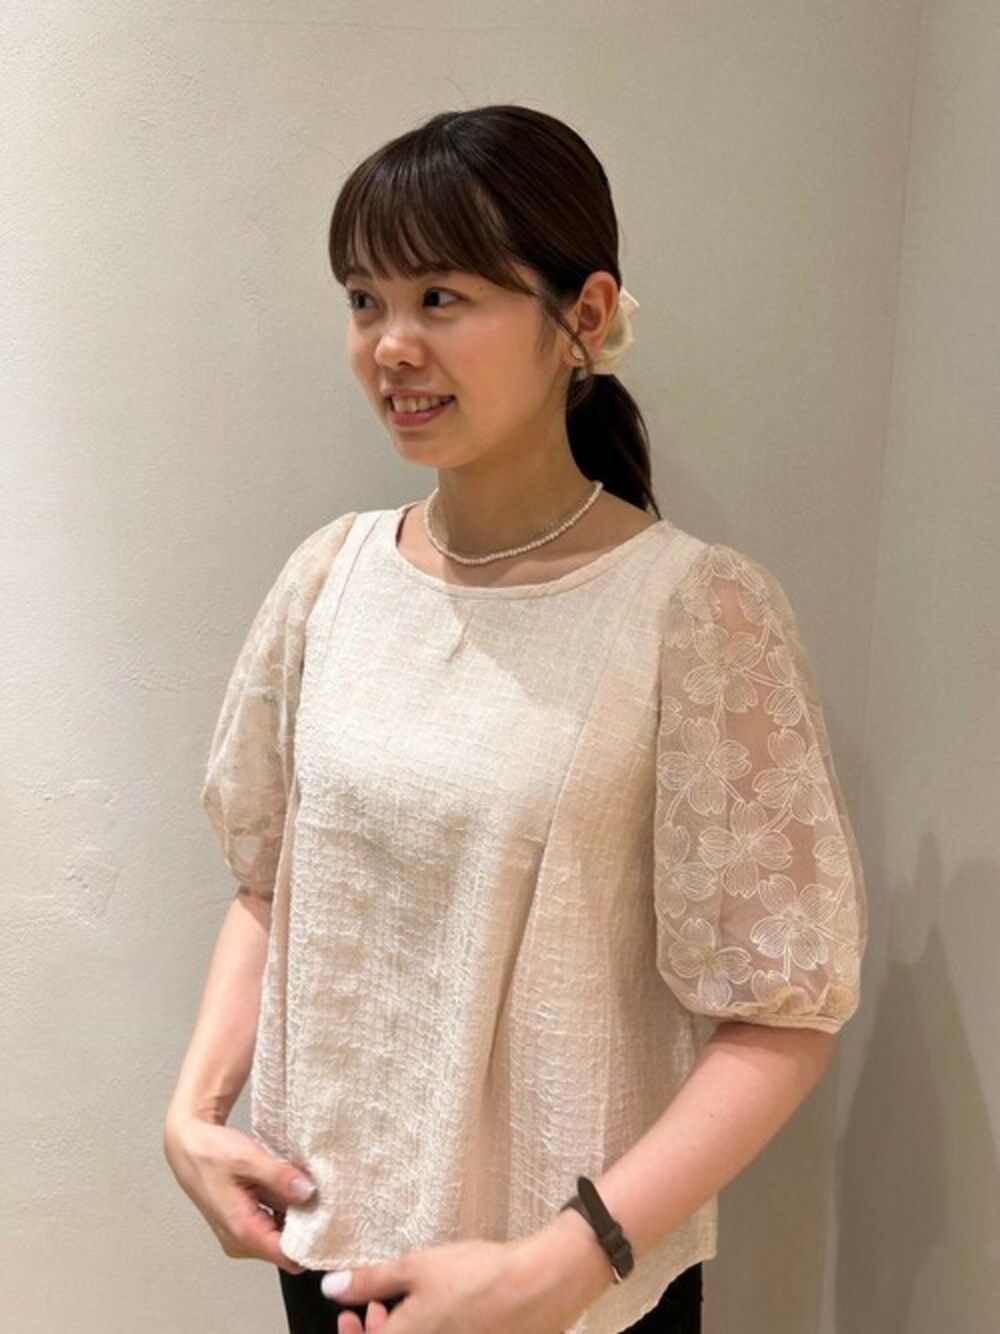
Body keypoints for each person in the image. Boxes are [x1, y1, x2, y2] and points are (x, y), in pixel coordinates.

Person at [163, 104, 868, 1334]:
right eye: (364, 299)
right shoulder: (330, 580)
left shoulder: (691, 612)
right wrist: (194, 1111)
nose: (390, 345)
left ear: (582, 317)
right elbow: (272, 882)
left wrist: (562, 1262)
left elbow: (781, 1010)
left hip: (570, 1292)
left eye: (441, 296)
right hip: (327, 1251)